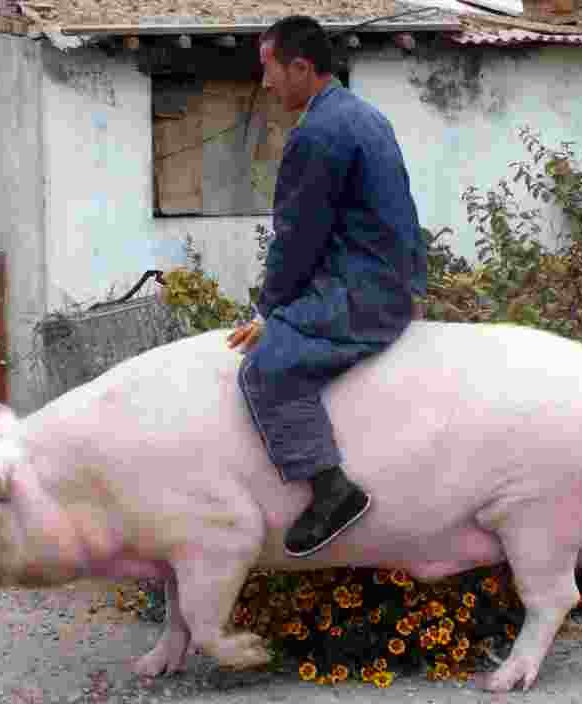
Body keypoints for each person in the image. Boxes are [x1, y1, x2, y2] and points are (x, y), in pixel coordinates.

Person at [226, 15, 427, 558]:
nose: (264, 84)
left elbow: (298, 237)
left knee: (267, 369)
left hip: (361, 294)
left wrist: (270, 312)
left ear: (300, 67)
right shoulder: (365, 116)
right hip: (387, 282)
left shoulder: (318, 134)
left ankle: (331, 491)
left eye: (269, 70)